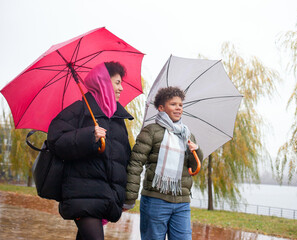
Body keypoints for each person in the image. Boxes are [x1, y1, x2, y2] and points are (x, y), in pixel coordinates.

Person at [47, 62, 133, 240]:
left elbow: (124, 159)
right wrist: (89, 136)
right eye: (117, 83)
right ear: (103, 82)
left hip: (106, 197)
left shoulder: (118, 119)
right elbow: (56, 141)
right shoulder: (79, 110)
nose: (121, 88)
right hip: (82, 194)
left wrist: (123, 195)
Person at [124, 86, 203, 240]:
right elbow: (135, 164)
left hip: (181, 202)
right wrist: (130, 197)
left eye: (180, 105)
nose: (178, 108)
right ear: (161, 108)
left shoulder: (187, 134)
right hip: (155, 200)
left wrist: (196, 150)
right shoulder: (151, 131)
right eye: (173, 104)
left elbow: (194, 168)